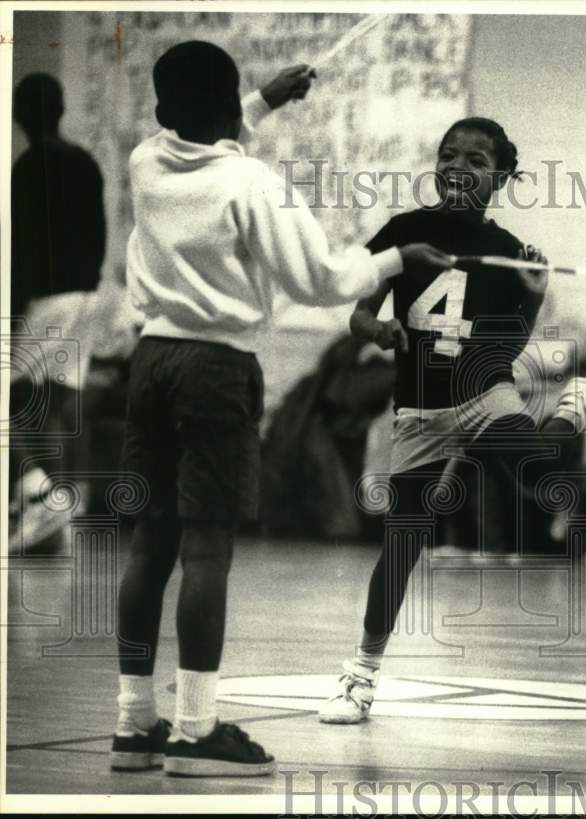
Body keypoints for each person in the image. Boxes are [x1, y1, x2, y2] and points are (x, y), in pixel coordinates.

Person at [110, 41, 453, 777]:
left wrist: (260, 101)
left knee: (150, 545)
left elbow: (209, 138)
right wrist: (398, 260)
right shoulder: (254, 183)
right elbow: (327, 279)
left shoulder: (144, 161)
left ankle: (134, 723)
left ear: (164, 109)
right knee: (208, 550)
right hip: (215, 367)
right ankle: (197, 732)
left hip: (150, 363)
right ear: (226, 104)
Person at [319, 116, 586, 725]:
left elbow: (509, 346)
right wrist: (381, 328)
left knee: (541, 470)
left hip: (483, 392)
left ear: (501, 177)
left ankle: (582, 402)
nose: (457, 168)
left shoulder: (508, 251)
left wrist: (532, 291)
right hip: (419, 411)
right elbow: (357, 316)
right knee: (402, 544)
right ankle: (361, 674)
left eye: (475, 161)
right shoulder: (403, 231)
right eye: (448, 155)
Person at [8, 73, 107, 548]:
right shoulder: (85, 162)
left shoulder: (29, 167)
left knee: (15, 403)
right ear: (63, 109)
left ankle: (41, 495)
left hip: (48, 295)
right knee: (61, 404)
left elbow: (22, 246)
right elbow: (100, 231)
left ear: (17, 114)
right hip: (87, 294)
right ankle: (54, 513)